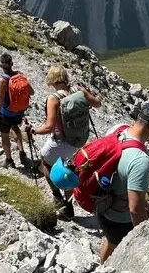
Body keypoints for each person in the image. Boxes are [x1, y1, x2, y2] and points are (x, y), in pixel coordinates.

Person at [29, 65, 101, 219]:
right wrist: (85, 94)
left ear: (52, 79)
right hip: (78, 141)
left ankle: (56, 196)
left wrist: (33, 130)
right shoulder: (78, 91)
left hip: (60, 141)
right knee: (70, 170)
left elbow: (49, 127)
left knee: (45, 162)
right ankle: (68, 205)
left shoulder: (53, 98)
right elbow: (97, 103)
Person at [97, 102, 149, 262]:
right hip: (119, 218)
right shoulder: (140, 160)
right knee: (124, 254)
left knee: (111, 241)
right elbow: (134, 209)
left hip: (101, 204)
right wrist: (142, 236)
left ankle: (102, 264)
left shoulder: (117, 129)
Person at [0, 53, 32, 169]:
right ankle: (22, 153)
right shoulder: (20, 76)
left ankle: (9, 160)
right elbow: (31, 92)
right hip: (19, 111)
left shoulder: (3, 80)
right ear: (12, 64)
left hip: (6, 114)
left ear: (1, 65)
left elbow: (0, 104)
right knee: (16, 128)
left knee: (4, 136)